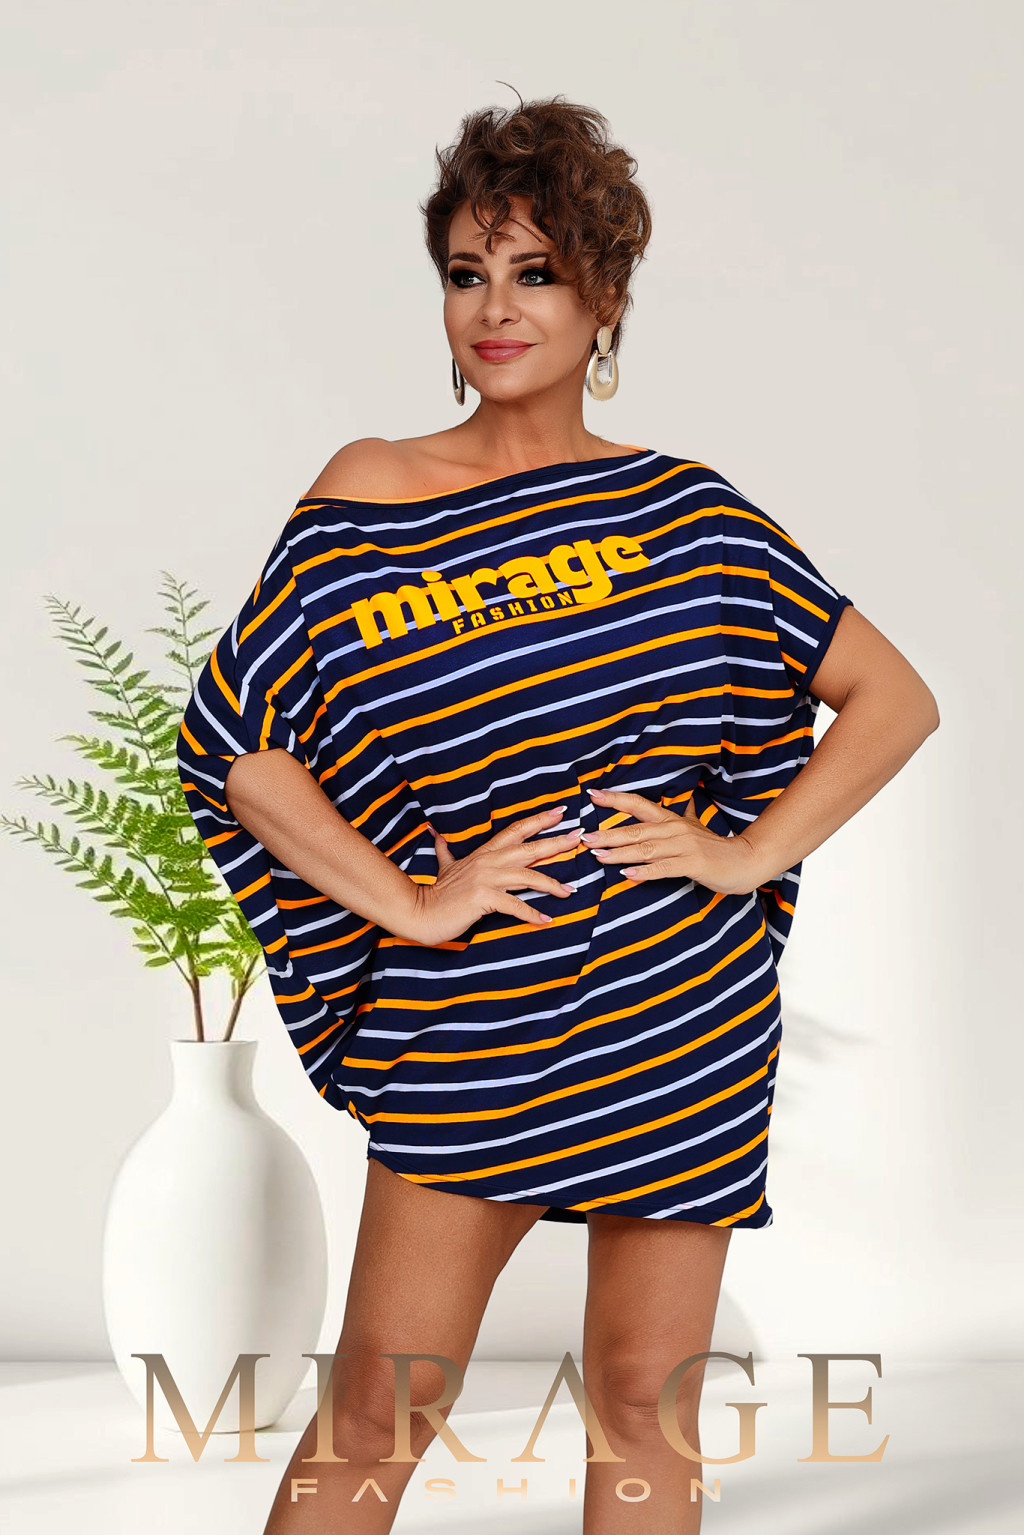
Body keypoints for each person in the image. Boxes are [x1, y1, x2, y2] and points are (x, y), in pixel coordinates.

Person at [176, 96, 939, 1534]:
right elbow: (240, 746)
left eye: (534, 273)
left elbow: (893, 698)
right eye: (467, 273)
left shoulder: (688, 512)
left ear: (605, 299)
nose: (495, 309)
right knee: (380, 1408)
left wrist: (745, 854)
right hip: (476, 1002)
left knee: (645, 1407)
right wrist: (414, 904)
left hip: (680, 1002)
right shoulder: (371, 489)